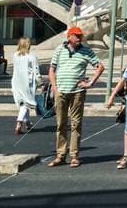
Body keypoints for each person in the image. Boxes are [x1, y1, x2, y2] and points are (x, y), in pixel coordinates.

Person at [47, 26, 105, 168]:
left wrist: (90, 82)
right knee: (61, 124)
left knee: (76, 124)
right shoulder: (59, 50)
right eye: (77, 36)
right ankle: (60, 155)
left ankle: (74, 155)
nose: (80, 38)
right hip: (61, 91)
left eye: (81, 36)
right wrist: (54, 88)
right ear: (69, 37)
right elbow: (52, 70)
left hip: (77, 92)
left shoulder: (86, 51)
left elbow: (100, 66)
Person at [11, 37, 39, 135]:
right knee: (26, 103)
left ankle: (27, 122)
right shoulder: (32, 57)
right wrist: (40, 82)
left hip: (16, 81)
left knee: (23, 103)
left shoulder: (15, 55)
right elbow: (36, 71)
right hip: (28, 82)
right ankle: (19, 122)